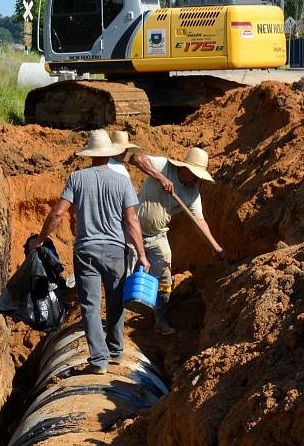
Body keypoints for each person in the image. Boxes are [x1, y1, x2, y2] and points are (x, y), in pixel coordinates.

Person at [29, 129, 150, 374]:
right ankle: (116, 351)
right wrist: (142, 254)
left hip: (86, 252)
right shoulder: (122, 181)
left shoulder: (77, 178)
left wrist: (41, 239)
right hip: (117, 251)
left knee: (91, 307)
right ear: (110, 154)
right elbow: (132, 221)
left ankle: (99, 361)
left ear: (90, 154)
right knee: (116, 302)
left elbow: (58, 213)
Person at [126, 145, 225, 334]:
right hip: (132, 232)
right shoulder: (164, 166)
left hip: (158, 236)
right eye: (195, 175)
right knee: (122, 273)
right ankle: (115, 320)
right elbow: (136, 158)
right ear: (184, 168)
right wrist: (159, 177)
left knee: (164, 277)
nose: (197, 180)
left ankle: (160, 320)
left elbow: (199, 222)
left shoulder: (192, 193)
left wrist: (215, 246)